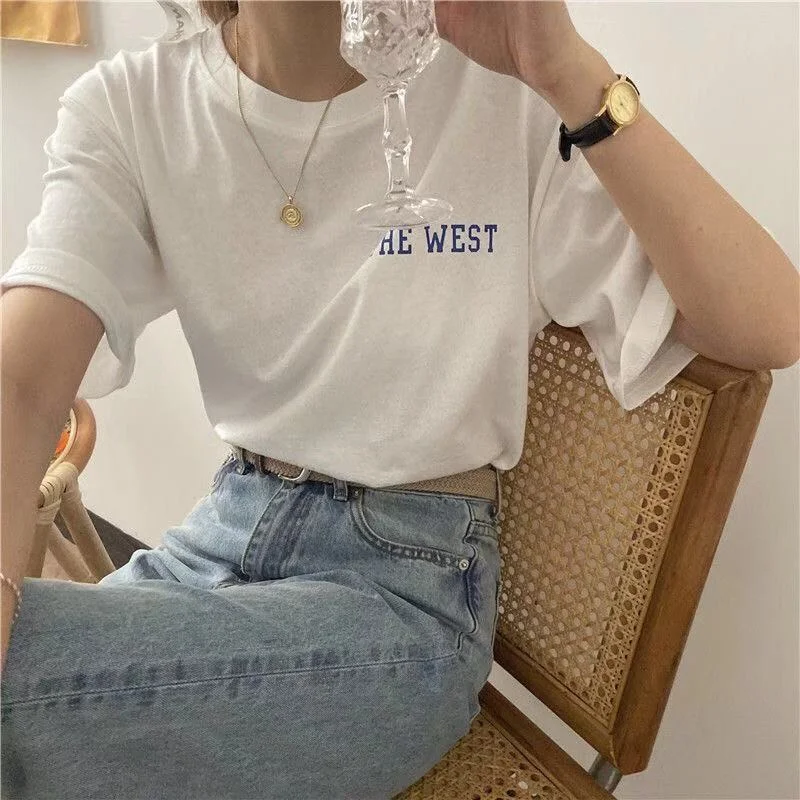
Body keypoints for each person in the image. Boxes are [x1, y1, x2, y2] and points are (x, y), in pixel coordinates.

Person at [1, 1, 797, 797]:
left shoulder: (503, 94)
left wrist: (568, 72)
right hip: (222, 535)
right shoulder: (134, 106)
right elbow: (20, 383)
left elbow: (769, 325)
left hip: (404, 590)